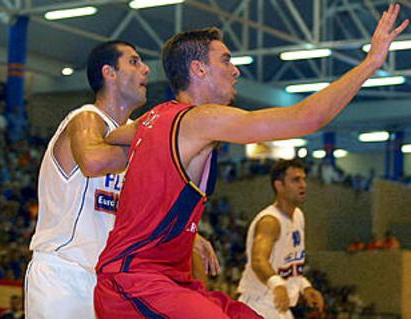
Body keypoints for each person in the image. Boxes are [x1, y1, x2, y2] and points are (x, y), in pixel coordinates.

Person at [95, 5, 408, 318]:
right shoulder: (200, 119)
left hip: (162, 279)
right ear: (198, 69)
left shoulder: (152, 118)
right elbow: (306, 117)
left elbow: (112, 137)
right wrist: (371, 62)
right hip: (135, 281)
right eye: (226, 60)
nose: (236, 70)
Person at [25, 40, 219, 319]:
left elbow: (142, 209)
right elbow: (93, 161)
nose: (146, 70)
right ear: (109, 73)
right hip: (64, 275)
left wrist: (188, 233)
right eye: (134, 62)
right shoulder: (85, 118)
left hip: (110, 282)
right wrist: (155, 144)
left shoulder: (133, 135)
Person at [237, 160, 323, 319]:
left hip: (279, 306)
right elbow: (258, 260)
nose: (303, 185)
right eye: (296, 180)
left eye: (304, 179)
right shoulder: (270, 221)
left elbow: (288, 264)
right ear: (279, 185)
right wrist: (277, 284)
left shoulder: (298, 216)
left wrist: (305, 287)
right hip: (258, 304)